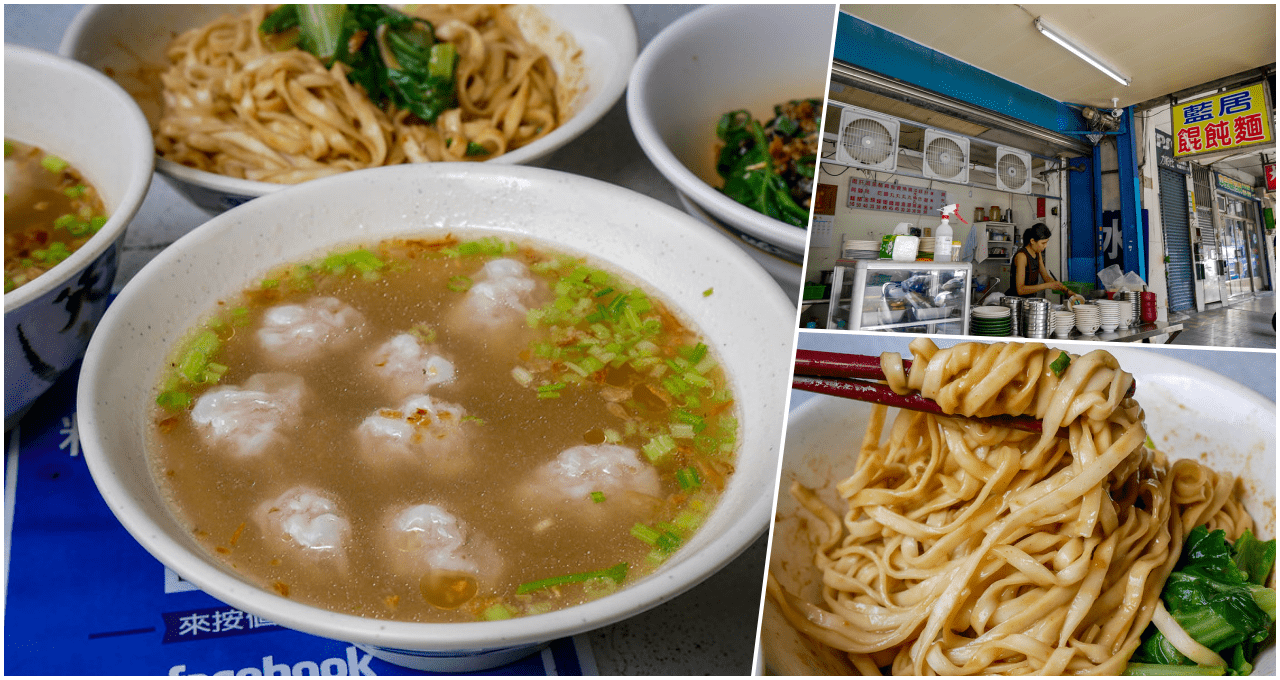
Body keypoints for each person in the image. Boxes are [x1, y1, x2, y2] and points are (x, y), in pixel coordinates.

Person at [1005, 223, 1070, 298]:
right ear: (1032, 241)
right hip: (1015, 302)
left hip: (1028, 301)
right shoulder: (1021, 256)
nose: (1045, 246)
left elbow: (1046, 277)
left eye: (1046, 242)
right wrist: (1047, 285)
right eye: (1043, 243)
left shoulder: (1037, 253)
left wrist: (1067, 291)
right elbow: (1020, 290)